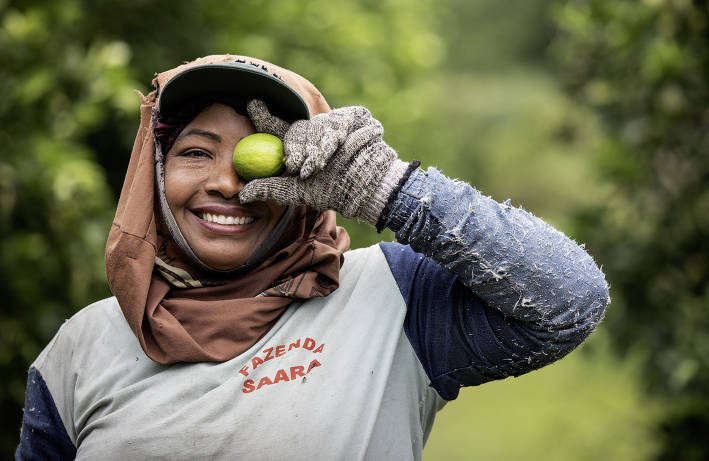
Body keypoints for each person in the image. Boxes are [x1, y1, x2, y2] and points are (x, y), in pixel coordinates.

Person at [16, 54, 610, 460]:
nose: (227, 183)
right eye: (196, 152)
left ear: (311, 172)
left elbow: (568, 302)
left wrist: (389, 189)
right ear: (154, 173)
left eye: (258, 154)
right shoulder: (84, 344)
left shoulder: (390, 298)